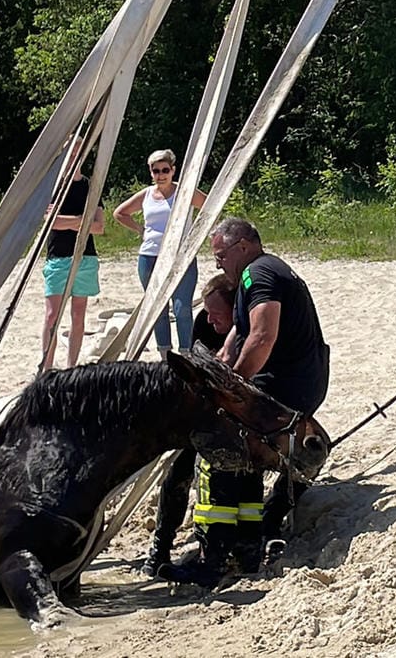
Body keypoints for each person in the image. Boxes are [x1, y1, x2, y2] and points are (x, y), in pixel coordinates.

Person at [162, 216, 330, 588]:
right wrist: (222, 364)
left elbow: (262, 336)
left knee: (216, 455)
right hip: (299, 383)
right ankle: (248, 547)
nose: (218, 263)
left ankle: (214, 558)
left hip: (281, 388)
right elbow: (239, 333)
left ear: (242, 246)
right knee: (247, 461)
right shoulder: (260, 277)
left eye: (221, 255)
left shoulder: (258, 274)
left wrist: (231, 388)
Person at [142, 272, 235, 577]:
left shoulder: (246, 330)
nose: (209, 321)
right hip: (205, 415)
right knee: (176, 476)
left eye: (216, 314)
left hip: (234, 420)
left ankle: (221, 549)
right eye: (206, 312)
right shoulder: (202, 324)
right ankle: (160, 548)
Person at [114, 149, 207, 354]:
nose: (161, 175)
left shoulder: (185, 191)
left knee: (182, 309)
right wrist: (140, 230)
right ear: (151, 172)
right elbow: (120, 213)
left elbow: (209, 207)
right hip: (150, 256)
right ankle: (165, 355)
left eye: (165, 170)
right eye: (156, 171)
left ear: (173, 170)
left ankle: (187, 354)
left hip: (180, 257)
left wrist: (195, 234)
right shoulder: (147, 194)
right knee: (157, 310)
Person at [41, 169, 106, 371]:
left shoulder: (90, 186)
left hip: (85, 256)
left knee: (78, 315)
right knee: (52, 315)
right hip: (58, 257)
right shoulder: (53, 185)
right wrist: (81, 220)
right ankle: (47, 367)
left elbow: (98, 227)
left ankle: (71, 366)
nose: (74, 156)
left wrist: (67, 220)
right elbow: (51, 222)